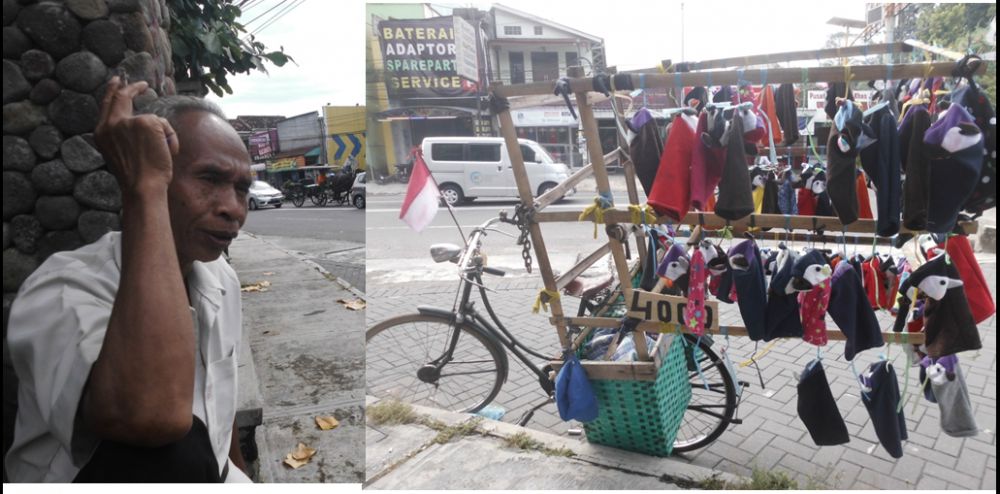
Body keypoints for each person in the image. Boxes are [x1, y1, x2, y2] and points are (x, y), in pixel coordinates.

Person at [5, 76, 253, 482]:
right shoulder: (65, 287)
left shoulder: (220, 276)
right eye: (209, 179)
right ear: (154, 172)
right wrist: (143, 187)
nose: (232, 208)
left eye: (242, 188)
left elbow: (218, 409)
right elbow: (152, 415)